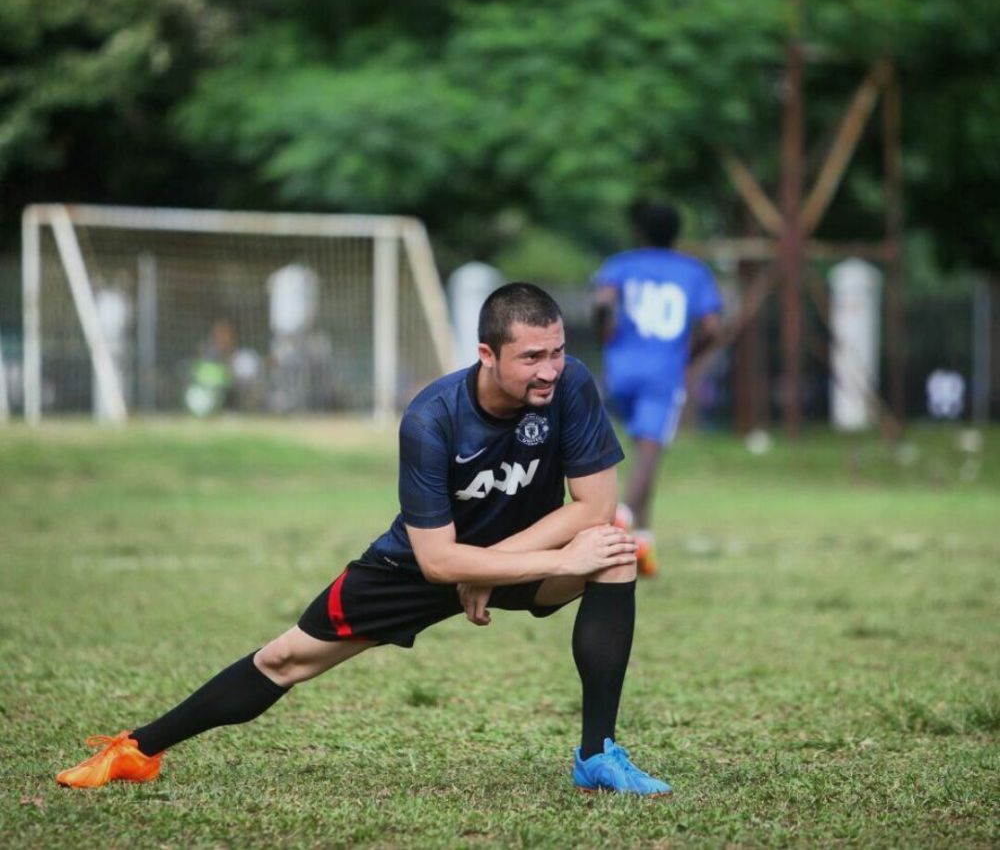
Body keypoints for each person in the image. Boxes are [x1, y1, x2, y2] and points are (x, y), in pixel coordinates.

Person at [57, 282, 673, 797]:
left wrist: (491, 566)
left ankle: (596, 755)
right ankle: (138, 748)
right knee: (284, 659)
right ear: (487, 354)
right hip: (418, 566)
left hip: (521, 555)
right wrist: (473, 567)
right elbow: (436, 560)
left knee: (612, 551)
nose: (550, 370)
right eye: (532, 357)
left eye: (557, 352)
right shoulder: (432, 418)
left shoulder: (572, 385)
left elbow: (595, 504)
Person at [593, 202, 723, 576]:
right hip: (662, 371)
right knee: (649, 453)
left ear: (640, 232)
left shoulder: (620, 264)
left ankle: (643, 542)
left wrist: (607, 334)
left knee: (626, 447)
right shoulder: (692, 271)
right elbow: (713, 327)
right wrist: (687, 357)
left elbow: (603, 303)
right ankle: (624, 517)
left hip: (620, 368)